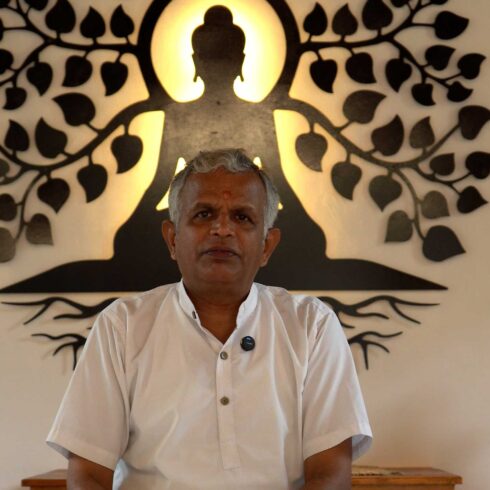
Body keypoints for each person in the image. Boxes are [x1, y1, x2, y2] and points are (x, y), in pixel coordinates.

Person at [47, 148, 372, 489]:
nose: (222, 229)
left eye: (242, 217)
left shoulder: (312, 326)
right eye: (204, 214)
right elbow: (88, 473)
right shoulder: (122, 326)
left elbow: (330, 473)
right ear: (172, 239)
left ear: (267, 246)